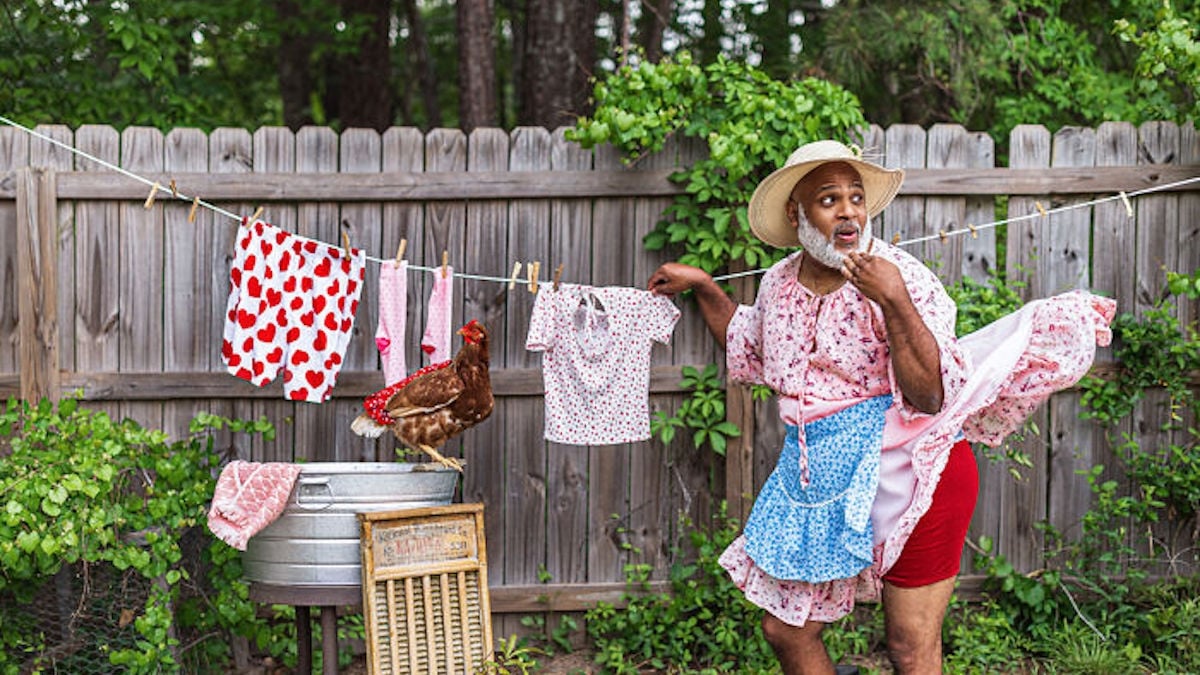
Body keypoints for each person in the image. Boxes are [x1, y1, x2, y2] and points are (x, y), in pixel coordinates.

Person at [647, 140, 1115, 674]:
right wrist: (705, 286)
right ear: (796, 213)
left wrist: (891, 298)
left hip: (913, 471)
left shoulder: (899, 274)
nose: (848, 210)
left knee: (909, 646)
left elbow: (929, 395)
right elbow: (749, 343)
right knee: (785, 629)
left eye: (855, 197)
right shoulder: (778, 283)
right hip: (820, 477)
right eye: (829, 199)